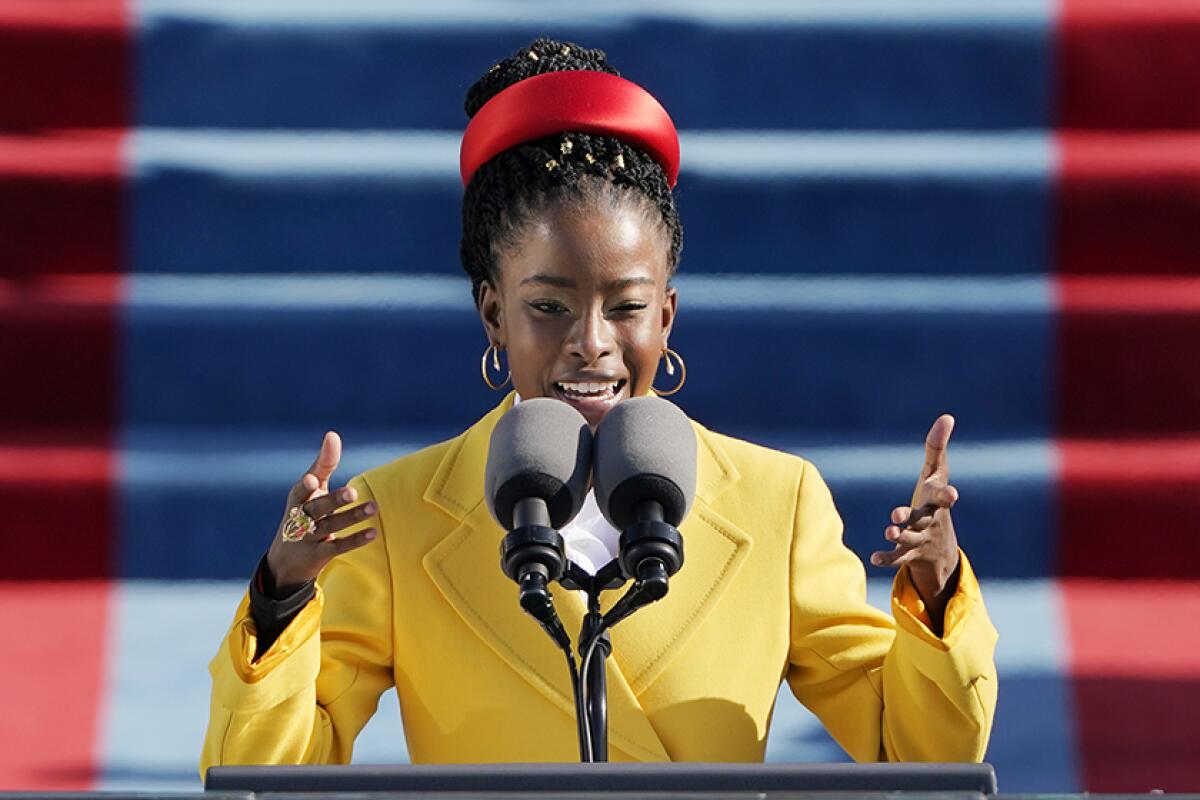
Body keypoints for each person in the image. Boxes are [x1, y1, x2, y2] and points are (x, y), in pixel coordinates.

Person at [201, 38, 997, 769]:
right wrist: (282, 594)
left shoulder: (775, 503)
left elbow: (920, 753)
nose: (591, 342)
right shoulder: (396, 515)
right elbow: (265, 783)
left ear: (667, 316)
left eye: (625, 305)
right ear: (494, 316)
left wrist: (937, 592)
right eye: (549, 307)